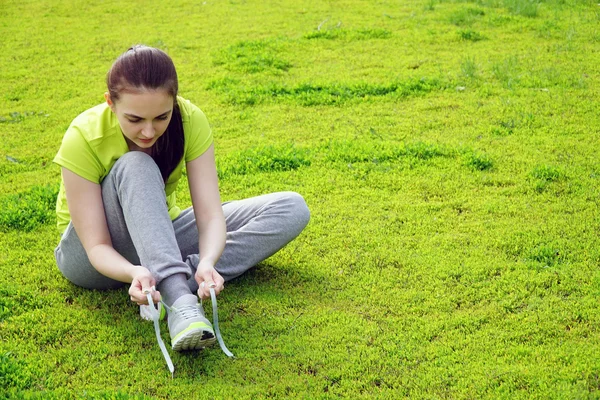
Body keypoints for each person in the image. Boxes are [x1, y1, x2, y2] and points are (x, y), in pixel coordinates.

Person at [53, 45, 310, 351]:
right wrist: (132, 271)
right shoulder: (83, 135)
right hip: (91, 258)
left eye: (161, 117)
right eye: (135, 119)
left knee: (291, 208)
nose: (148, 131)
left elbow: (210, 216)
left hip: (160, 236)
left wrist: (209, 260)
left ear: (173, 102)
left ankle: (173, 277)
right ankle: (181, 304)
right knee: (136, 165)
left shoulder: (190, 120)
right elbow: (96, 246)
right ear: (110, 103)